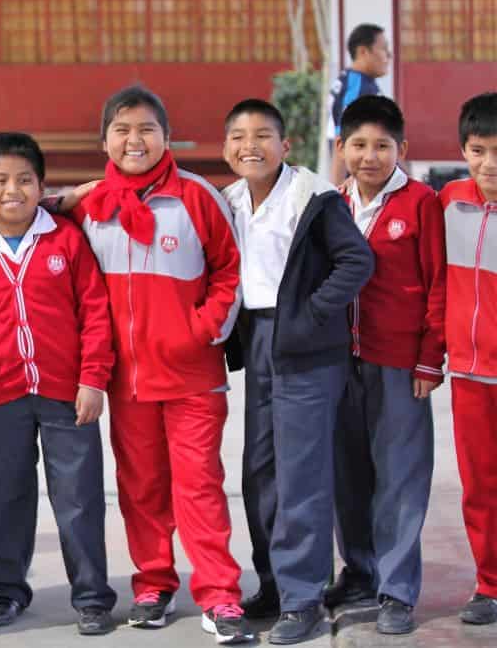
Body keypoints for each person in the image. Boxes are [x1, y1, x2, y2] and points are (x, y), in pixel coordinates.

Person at [70, 85, 253, 645]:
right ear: (105, 139)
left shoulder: (198, 197)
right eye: (122, 129)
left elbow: (230, 271)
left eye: (147, 129)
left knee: (198, 486)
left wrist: (203, 332)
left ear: (166, 137)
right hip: (126, 380)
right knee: (140, 488)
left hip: (192, 376)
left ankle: (220, 595)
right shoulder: (89, 206)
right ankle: (152, 584)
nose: (135, 140)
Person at [0, 132, 117, 635]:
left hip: (67, 394)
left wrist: (93, 380)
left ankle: (91, 597)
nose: (12, 191)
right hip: (0, 398)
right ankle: (7, 591)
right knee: (6, 497)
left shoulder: (65, 238)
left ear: (42, 186)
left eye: (25, 180)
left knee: (79, 497)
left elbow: (95, 313)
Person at [221, 99, 374, 645]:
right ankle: (274, 584)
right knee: (259, 471)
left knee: (301, 476)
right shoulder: (229, 201)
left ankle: (304, 596)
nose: (250, 146)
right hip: (258, 345)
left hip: (307, 349)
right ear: (226, 149)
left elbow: (357, 261)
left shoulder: (312, 197)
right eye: (239, 137)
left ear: (285, 146)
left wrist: (310, 316)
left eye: (263, 135)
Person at [329, 95, 445, 635]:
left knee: (400, 478)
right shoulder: (331, 204)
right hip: (339, 364)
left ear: (403, 149)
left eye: (382, 146)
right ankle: (359, 571)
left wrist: (428, 358)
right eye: (358, 145)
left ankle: (397, 589)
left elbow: (437, 284)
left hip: (400, 364)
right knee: (347, 475)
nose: (369, 156)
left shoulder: (421, 203)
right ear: (341, 148)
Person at [440, 92, 497, 627]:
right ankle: (490, 584)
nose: (489, 164)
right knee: (480, 485)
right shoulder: (449, 202)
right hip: (471, 375)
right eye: (478, 150)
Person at [328, 24, 391, 185]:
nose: (389, 56)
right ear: (364, 52)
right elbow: (342, 139)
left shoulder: (362, 83)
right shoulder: (356, 89)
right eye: (384, 49)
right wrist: (336, 196)